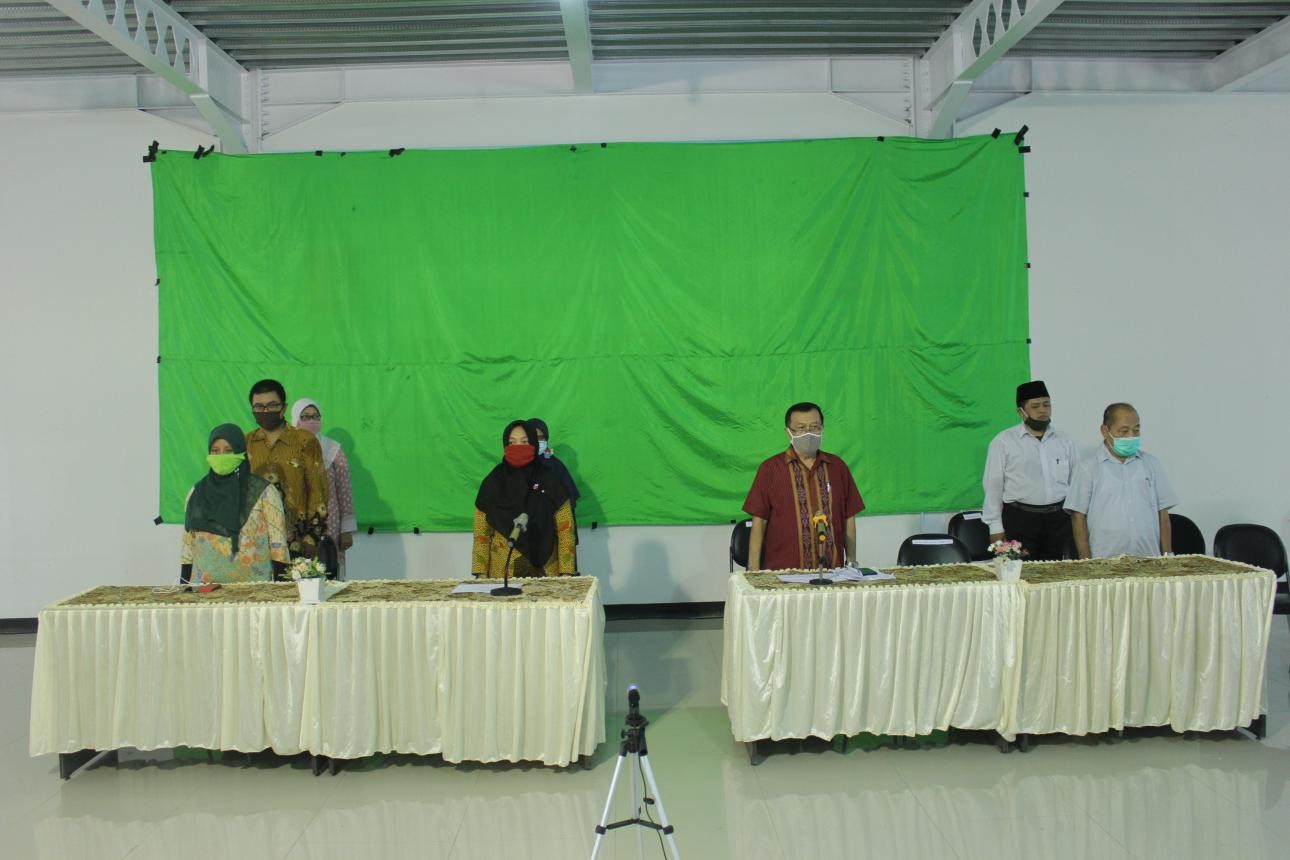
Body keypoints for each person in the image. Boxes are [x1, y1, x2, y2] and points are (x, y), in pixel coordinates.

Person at [743, 402, 864, 570]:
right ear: (788, 433)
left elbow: (848, 517)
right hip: (783, 577)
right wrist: (754, 571)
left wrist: (852, 562)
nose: (809, 433)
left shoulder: (837, 467)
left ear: (822, 429)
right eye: (800, 428)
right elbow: (759, 522)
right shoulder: (771, 469)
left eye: (815, 427)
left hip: (832, 575)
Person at [981, 380, 1079, 561]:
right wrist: (995, 528)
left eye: (1046, 404)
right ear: (1021, 411)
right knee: (1021, 578)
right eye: (1035, 406)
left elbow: (1075, 483)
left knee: (1057, 578)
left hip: (1059, 521)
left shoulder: (1064, 441)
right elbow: (993, 486)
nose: (1043, 410)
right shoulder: (1004, 442)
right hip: (1020, 521)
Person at [181, 424, 289, 583]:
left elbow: (278, 543)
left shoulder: (264, 492)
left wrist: (281, 589)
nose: (221, 455)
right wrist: (184, 584)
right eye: (215, 450)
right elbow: (188, 544)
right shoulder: (196, 493)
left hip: (253, 593)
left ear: (240, 452)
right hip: (204, 591)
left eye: (228, 450)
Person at [1066, 403, 1177, 559]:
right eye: (1124, 431)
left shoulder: (1151, 464)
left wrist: (1167, 556)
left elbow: (1163, 513)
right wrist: (1086, 562)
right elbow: (1078, 517)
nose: (1131, 436)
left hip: (1149, 559)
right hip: (1105, 561)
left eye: (1136, 430)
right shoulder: (1087, 469)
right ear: (1105, 431)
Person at [472, 419, 576, 578]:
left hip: (547, 573)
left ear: (533, 444)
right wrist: (480, 574)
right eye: (512, 443)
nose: (518, 447)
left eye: (525, 442)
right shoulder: (494, 481)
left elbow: (566, 530)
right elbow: (481, 533)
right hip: (503, 573)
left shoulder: (550, 480)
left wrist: (566, 572)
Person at [245, 379, 329, 559]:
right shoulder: (246, 443)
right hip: (254, 542)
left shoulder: (305, 441)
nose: (265, 411)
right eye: (258, 407)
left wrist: (311, 538)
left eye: (271, 405)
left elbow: (318, 491)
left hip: (297, 541)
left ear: (283, 408)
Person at [292, 398, 357, 577]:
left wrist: (346, 530)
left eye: (315, 416)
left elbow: (344, 492)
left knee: (328, 573)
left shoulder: (333, 449)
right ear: (295, 419)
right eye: (305, 416)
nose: (312, 421)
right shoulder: (287, 449)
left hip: (330, 524)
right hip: (296, 526)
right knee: (298, 574)